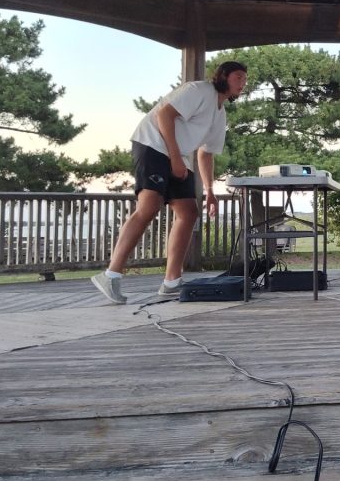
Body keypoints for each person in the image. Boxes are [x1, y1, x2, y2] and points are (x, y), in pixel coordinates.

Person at [91, 60, 248, 304]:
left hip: (178, 155)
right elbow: (164, 113)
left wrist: (209, 191)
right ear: (224, 76)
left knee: (188, 212)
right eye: (238, 77)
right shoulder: (199, 90)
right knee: (149, 206)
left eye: (245, 79)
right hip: (153, 144)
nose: (243, 83)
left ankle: (171, 282)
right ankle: (110, 275)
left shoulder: (220, 113)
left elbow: (205, 153)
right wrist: (174, 156)